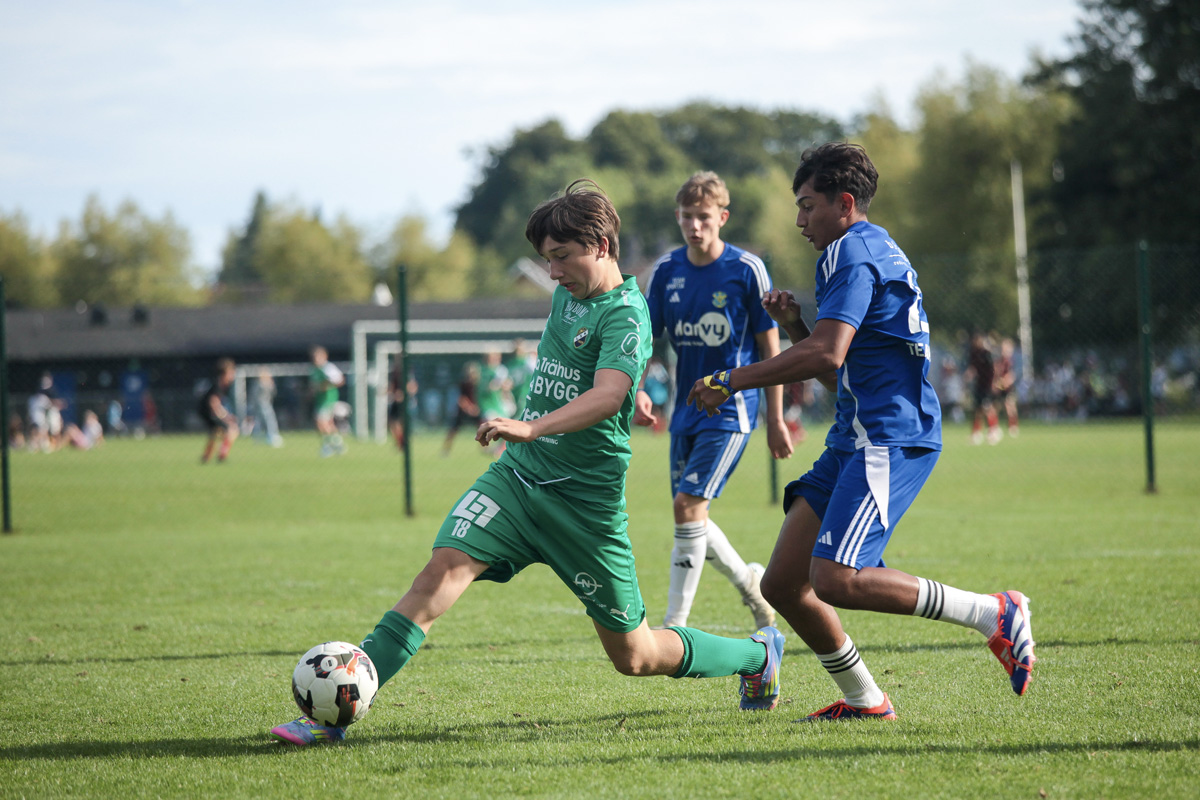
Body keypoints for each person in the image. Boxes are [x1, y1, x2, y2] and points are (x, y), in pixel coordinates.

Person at [271, 179, 784, 746]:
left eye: (562, 257)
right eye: (546, 259)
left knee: (635, 656)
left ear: (602, 246)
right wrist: (618, 395)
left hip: (583, 506)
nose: (553, 272)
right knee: (439, 573)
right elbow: (606, 380)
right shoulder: (569, 292)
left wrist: (542, 422)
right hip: (517, 478)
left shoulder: (627, 314)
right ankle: (336, 713)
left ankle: (757, 655)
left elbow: (607, 392)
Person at [687, 143, 1034, 722]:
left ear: (844, 203)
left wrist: (731, 378)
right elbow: (835, 371)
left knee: (836, 579)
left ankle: (992, 613)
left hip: (888, 437)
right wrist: (795, 325)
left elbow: (828, 354)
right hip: (853, 438)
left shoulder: (853, 253)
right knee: (783, 584)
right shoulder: (864, 248)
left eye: (807, 206)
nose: (800, 220)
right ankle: (866, 700)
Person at [635, 170, 792, 632]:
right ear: (677, 217)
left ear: (722, 217)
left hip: (731, 412)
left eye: (704, 216)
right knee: (692, 518)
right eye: (687, 216)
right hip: (684, 412)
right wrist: (639, 387)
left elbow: (770, 348)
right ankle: (751, 586)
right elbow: (645, 339)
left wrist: (776, 418)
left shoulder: (746, 270)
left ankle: (674, 627)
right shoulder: (666, 271)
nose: (695, 225)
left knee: (687, 508)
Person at [198, 358, 238, 464]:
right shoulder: (218, 384)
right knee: (232, 429)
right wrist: (225, 417)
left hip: (207, 412)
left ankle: (206, 457)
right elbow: (213, 403)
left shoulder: (222, 384)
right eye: (231, 372)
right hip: (208, 413)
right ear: (225, 373)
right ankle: (222, 455)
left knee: (216, 433)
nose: (233, 375)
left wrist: (226, 415)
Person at [310, 346, 347, 457]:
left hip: (328, 399)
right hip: (320, 399)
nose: (315, 359)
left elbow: (340, 380)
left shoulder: (328, 368)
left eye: (317, 357)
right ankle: (337, 443)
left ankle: (328, 446)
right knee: (327, 423)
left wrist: (326, 384)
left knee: (320, 422)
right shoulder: (315, 369)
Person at [441, 362, 483, 456]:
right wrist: (469, 408)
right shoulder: (464, 384)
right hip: (463, 411)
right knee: (453, 429)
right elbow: (461, 399)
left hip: (475, 411)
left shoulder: (478, 385)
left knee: (482, 428)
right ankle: (446, 449)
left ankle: (484, 448)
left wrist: (476, 409)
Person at [967, 331, 1000, 444]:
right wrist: (969, 374)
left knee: (987, 407)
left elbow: (994, 369)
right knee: (978, 409)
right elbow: (972, 367)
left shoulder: (987, 353)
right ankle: (976, 432)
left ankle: (993, 429)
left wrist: (994, 382)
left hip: (987, 385)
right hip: (979, 385)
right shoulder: (973, 353)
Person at [387, 358, 418, 450]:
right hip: (395, 402)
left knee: (400, 424)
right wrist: (389, 392)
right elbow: (392, 387)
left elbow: (413, 388)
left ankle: (402, 443)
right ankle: (401, 443)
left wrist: (402, 394)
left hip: (405, 403)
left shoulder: (407, 374)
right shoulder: (395, 374)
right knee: (392, 423)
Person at [993, 337, 1019, 438]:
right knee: (995, 407)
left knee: (1010, 406)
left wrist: (1006, 382)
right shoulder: (999, 361)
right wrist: (996, 384)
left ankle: (1013, 426)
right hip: (1000, 388)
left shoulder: (1011, 361)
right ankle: (994, 427)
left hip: (1009, 388)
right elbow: (996, 374)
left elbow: (1012, 375)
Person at [251, 369, 284, 447]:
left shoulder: (268, 384)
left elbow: (273, 393)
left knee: (269, 420)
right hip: (261, 404)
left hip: (266, 404)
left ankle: (271, 435)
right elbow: (256, 395)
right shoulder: (259, 384)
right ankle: (266, 436)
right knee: (263, 421)